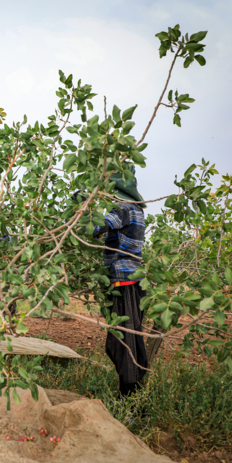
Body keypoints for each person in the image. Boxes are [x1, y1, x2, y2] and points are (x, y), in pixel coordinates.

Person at [90, 165, 149, 398]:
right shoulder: (132, 208)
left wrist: (83, 207)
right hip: (125, 282)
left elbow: (96, 228)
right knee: (119, 342)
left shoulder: (123, 208)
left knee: (127, 344)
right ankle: (128, 396)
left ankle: (132, 401)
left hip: (127, 283)